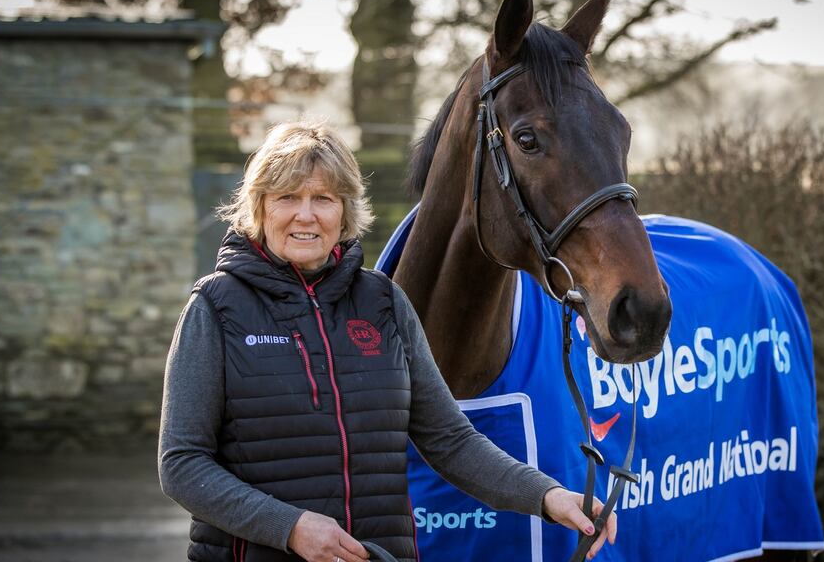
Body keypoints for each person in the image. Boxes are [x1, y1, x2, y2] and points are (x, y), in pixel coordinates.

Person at [158, 121, 616, 562]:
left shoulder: (383, 302)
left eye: (324, 198)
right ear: (259, 208)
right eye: (286, 198)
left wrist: (548, 495)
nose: (306, 214)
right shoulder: (214, 308)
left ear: (345, 211)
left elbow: (449, 439)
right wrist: (290, 527)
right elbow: (181, 464)